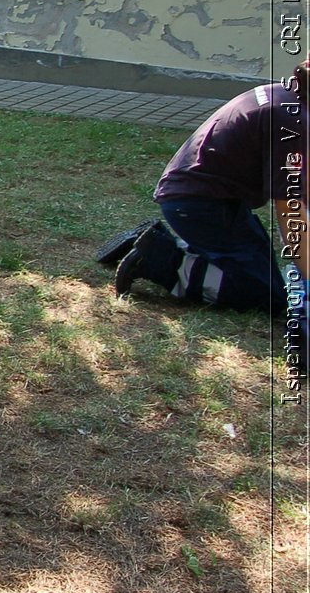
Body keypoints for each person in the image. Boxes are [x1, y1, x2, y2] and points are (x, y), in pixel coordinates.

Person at [108, 65, 310, 379]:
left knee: (270, 279)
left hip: (208, 200)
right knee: (266, 295)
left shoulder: (287, 97)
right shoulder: (292, 121)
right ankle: (161, 259)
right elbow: (292, 215)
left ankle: (178, 247)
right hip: (200, 205)